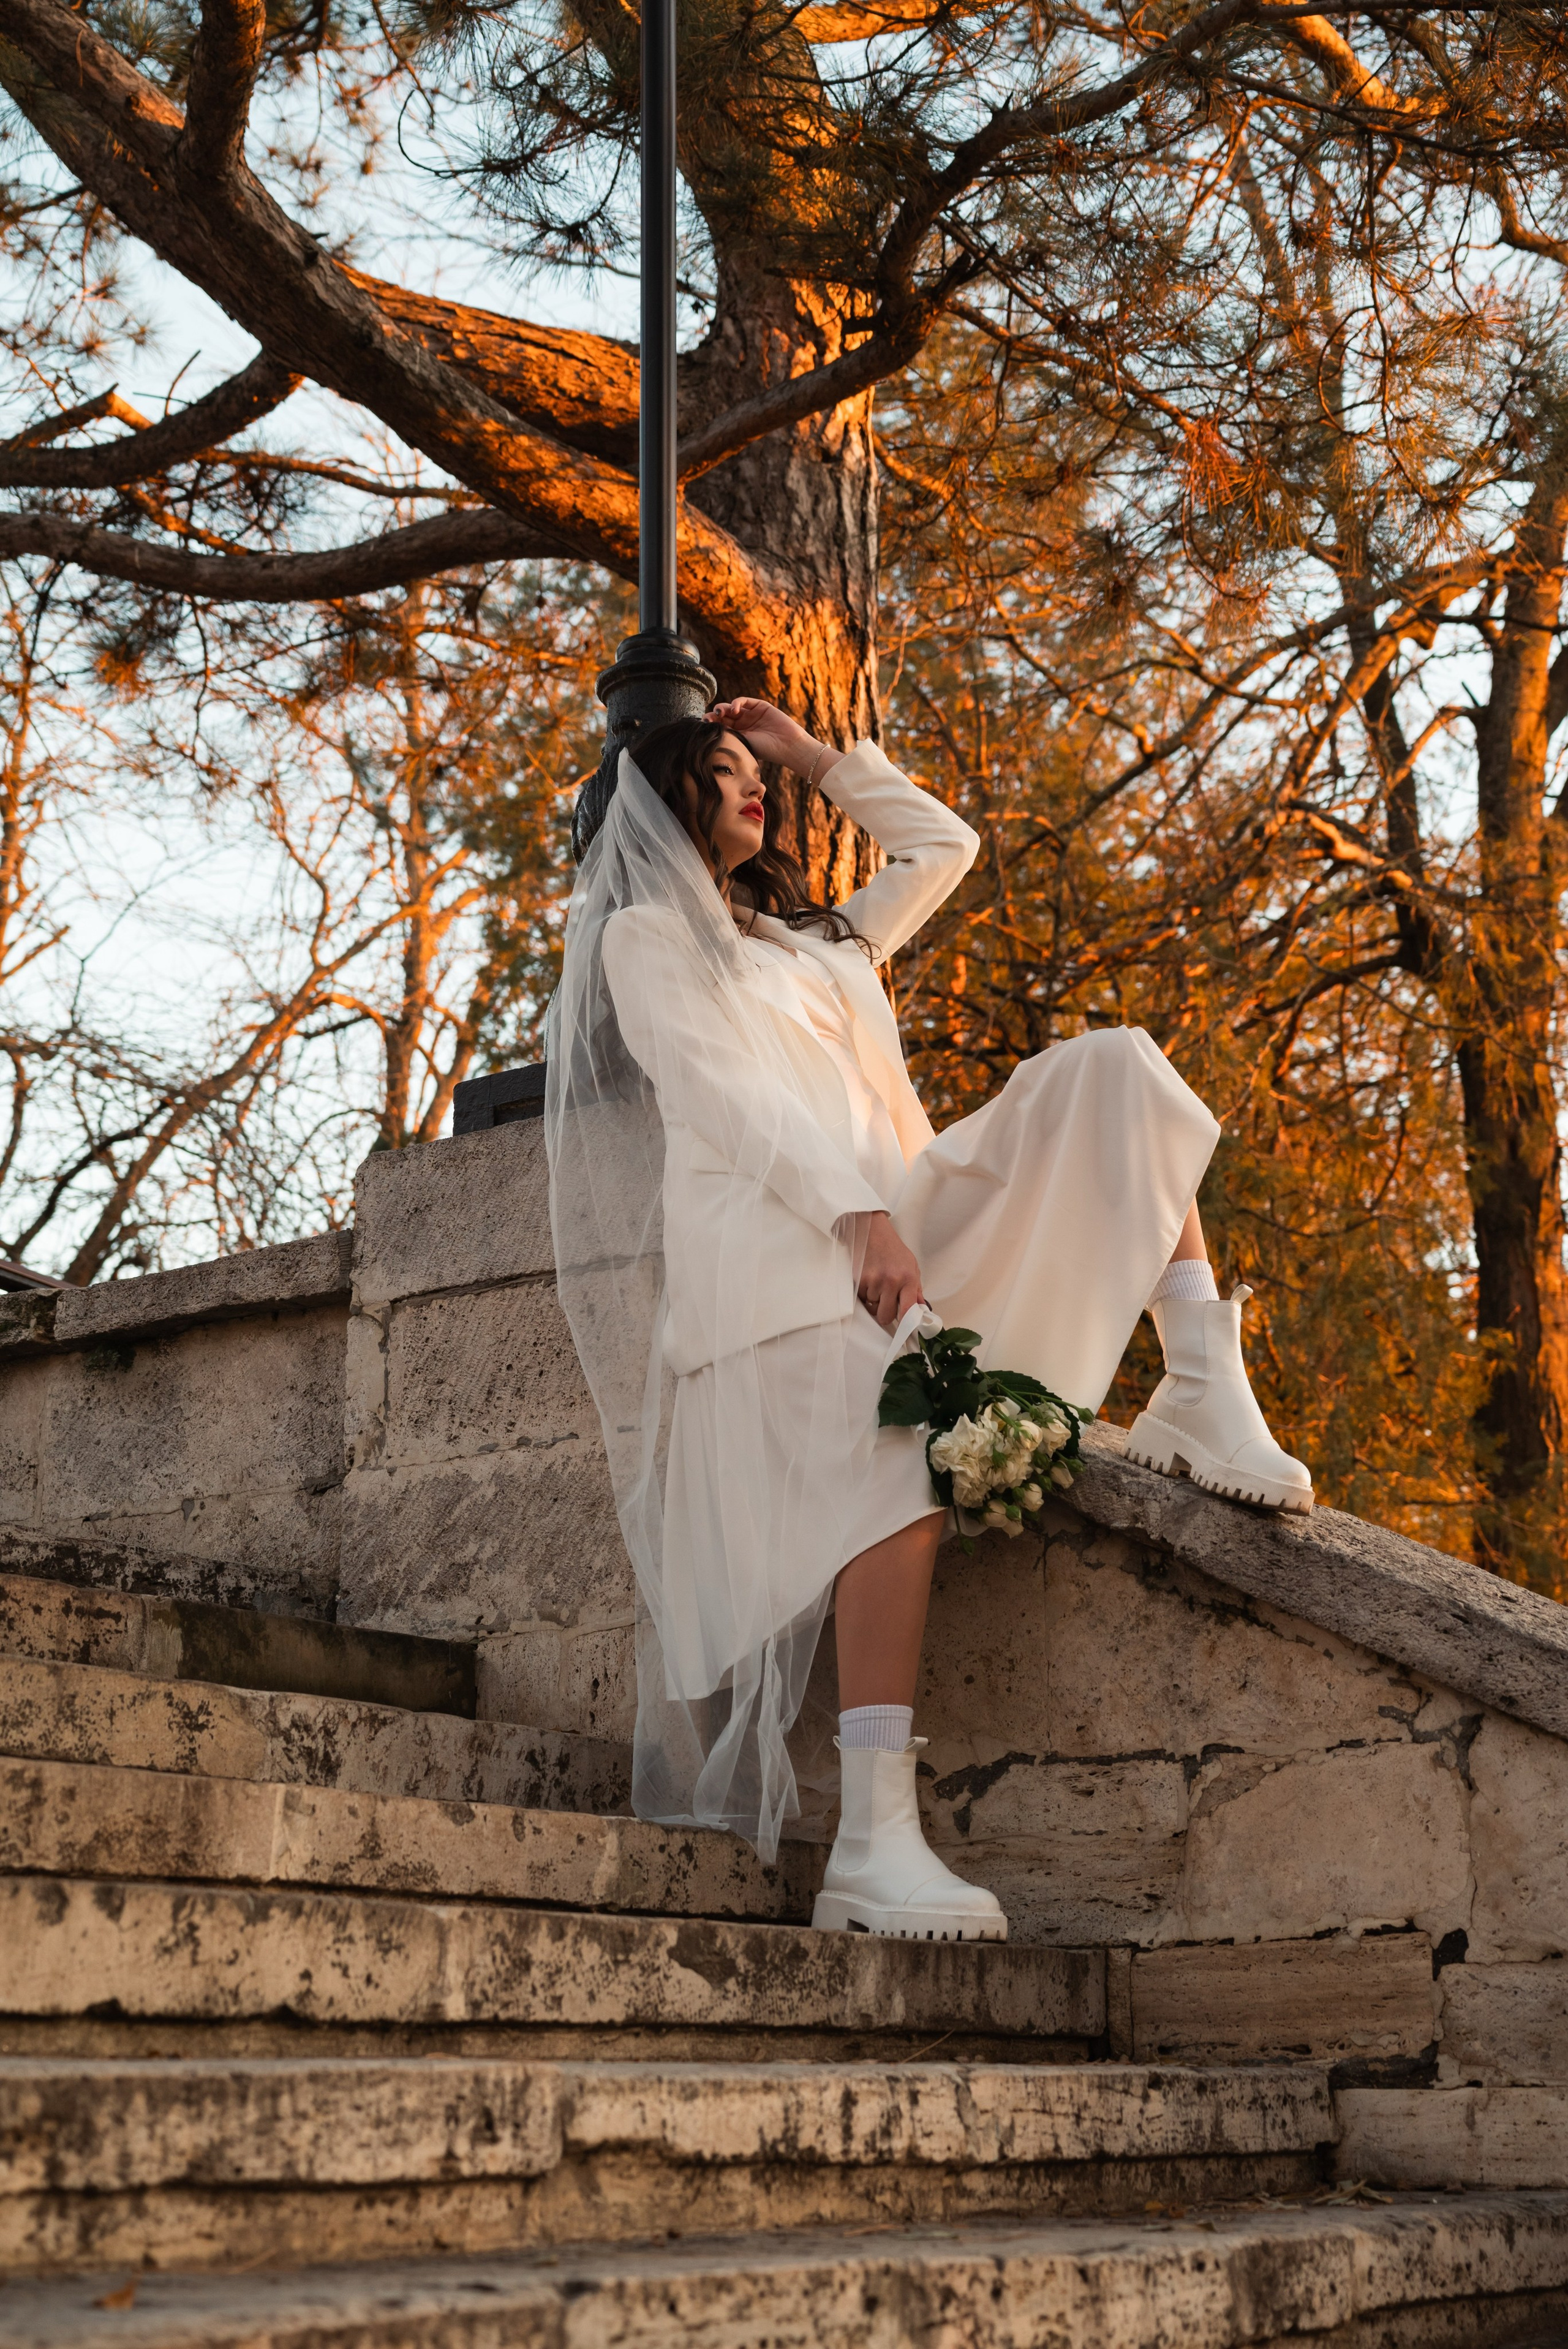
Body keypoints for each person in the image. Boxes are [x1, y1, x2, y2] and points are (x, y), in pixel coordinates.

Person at [545, 698, 1311, 1944]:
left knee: (1113, 1068)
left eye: (758, 774)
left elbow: (941, 847)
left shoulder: (824, 943)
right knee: (899, 1445)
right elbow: (722, 1096)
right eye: (727, 772)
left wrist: (817, 756)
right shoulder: (645, 937)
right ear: (663, 795)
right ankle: (871, 1842)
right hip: (777, 1274)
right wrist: (853, 1219)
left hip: (899, 1234)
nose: (757, 791)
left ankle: (1196, 1385)